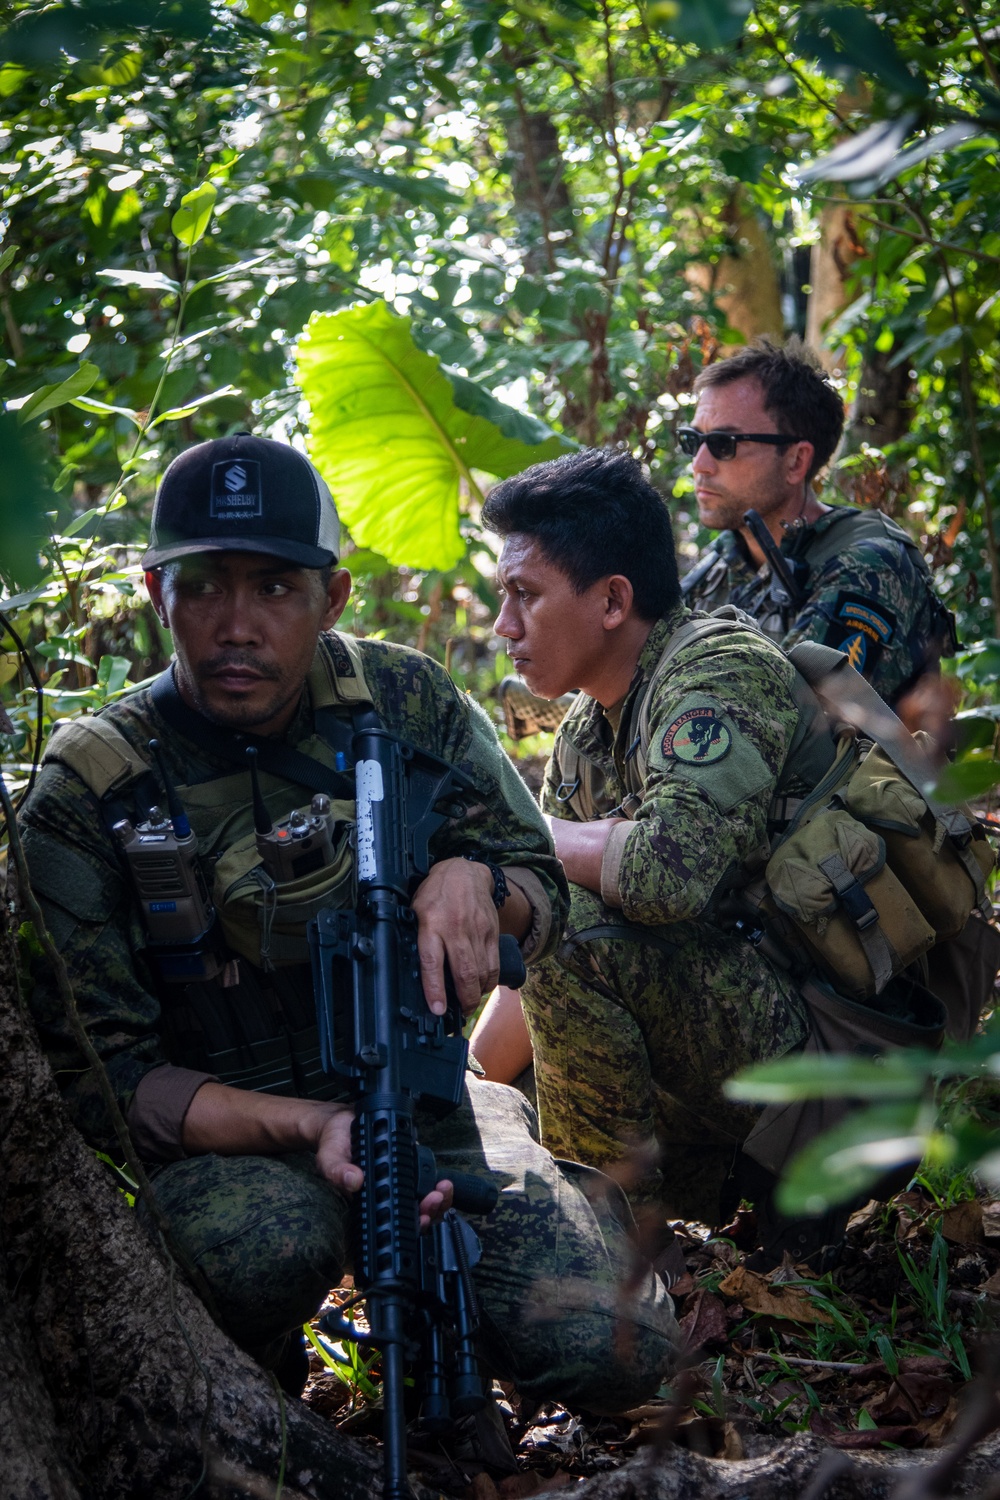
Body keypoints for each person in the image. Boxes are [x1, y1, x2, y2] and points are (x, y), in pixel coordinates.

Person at [20, 433, 677, 1407]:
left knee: (614, 1350)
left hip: (423, 1102)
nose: (237, 625)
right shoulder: (92, 784)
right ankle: (258, 1385)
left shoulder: (401, 701)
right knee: (256, 1254)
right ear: (156, 594)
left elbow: (537, 888)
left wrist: (472, 875)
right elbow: (100, 1079)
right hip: (233, 1142)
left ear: (332, 600)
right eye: (205, 586)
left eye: (276, 589)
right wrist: (314, 1124)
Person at [473, 446, 843, 1229]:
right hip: (716, 1050)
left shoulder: (720, 668)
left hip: (829, 1071)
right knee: (502, 1128)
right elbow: (535, 937)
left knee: (573, 931)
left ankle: (612, 1264)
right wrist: (467, 1083)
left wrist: (520, 835)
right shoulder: (585, 731)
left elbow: (661, 877)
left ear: (612, 601)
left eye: (524, 595)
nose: (503, 625)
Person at [680, 337, 956, 707]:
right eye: (693, 440)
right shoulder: (724, 559)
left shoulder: (870, 565)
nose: (699, 464)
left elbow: (779, 719)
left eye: (723, 443)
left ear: (796, 461)